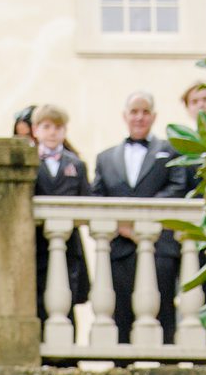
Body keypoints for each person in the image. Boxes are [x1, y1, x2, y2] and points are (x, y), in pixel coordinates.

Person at [91, 90, 184, 343]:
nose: (139, 117)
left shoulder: (170, 151)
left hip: (160, 245)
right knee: (120, 310)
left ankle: (168, 369)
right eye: (134, 111)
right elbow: (97, 197)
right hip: (120, 247)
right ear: (125, 116)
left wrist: (143, 220)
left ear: (153, 117)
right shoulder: (105, 158)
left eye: (145, 112)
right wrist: (122, 226)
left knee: (165, 309)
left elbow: (177, 188)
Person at [31, 103, 89, 322]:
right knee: (38, 297)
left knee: (67, 298)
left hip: (68, 243)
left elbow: (86, 201)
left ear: (65, 131)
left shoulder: (76, 164)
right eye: (46, 126)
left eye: (57, 127)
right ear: (36, 130)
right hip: (37, 243)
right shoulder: (29, 163)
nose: (52, 132)